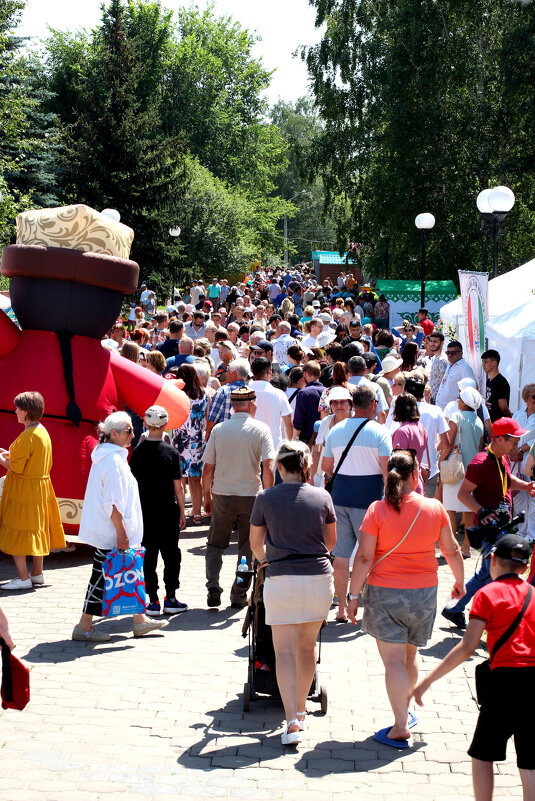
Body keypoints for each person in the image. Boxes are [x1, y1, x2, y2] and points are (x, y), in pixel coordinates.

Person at [347, 449, 464, 747]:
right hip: (424, 593)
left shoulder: (377, 510)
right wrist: (460, 582)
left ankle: (400, 725)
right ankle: (407, 710)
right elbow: (451, 550)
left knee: (394, 662)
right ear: (416, 475)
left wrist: (352, 595)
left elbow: (363, 557)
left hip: (386, 593)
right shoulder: (435, 508)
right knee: (410, 656)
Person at [412, 534, 535, 800]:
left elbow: (467, 647)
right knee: (530, 762)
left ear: (492, 560)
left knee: (483, 754)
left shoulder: (487, 594)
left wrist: (428, 680)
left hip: (503, 682)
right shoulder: (534, 594)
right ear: (525, 568)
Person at [250, 441, 336, 746]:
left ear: (281, 467)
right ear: (306, 467)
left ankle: (291, 722)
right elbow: (331, 543)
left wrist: (267, 561)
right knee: (307, 647)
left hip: (281, 578)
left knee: (283, 652)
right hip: (317, 579)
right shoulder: (322, 497)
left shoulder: (265, 498)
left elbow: (255, 544)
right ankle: (301, 711)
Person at [73, 412, 166, 641]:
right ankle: (84, 627)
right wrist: (122, 534)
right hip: (113, 533)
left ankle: (139, 620)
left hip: (112, 532)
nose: (133, 434)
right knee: (106, 577)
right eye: (128, 430)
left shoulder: (110, 456)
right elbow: (112, 504)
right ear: (113, 434)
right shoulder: (113, 461)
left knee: (123, 574)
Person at [441, 417, 535, 629]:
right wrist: (482, 511)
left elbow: (507, 481)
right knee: (492, 573)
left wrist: (526, 486)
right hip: (490, 528)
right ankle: (471, 612)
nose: (516, 445)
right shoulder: (481, 463)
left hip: (501, 524)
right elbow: (463, 494)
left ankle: (455, 608)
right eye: (513, 441)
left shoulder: (501, 457)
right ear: (499, 439)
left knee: (487, 573)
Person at [322, 385, 392, 622]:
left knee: (340, 557)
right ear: (373, 404)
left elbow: (326, 467)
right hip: (369, 502)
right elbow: (386, 471)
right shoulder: (380, 432)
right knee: (368, 556)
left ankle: (341, 607)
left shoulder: (336, 430)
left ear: (353, 404)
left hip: (339, 499)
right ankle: (364, 604)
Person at [202, 386, 275, 608]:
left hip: (222, 494)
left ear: (233, 406)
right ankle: (239, 592)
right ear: (252, 404)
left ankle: (213, 584)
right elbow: (268, 468)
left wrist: (207, 496)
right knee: (246, 549)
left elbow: (207, 469)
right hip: (250, 496)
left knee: (216, 543)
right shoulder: (261, 430)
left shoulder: (219, 430)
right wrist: (268, 497)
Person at [0, 391, 65, 590]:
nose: (15, 411)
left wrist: (2, 459)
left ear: (26, 412)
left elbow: (16, 467)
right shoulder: (42, 431)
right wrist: (9, 454)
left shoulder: (27, 435)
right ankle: (37, 574)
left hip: (24, 490)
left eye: (18, 408)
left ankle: (23, 578)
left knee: (17, 530)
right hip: (40, 487)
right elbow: (31, 457)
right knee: (38, 530)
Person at [129, 406, 187, 616]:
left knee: (148, 556)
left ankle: (152, 600)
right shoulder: (171, 452)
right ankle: (170, 598)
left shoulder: (137, 453)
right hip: (167, 511)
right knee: (172, 555)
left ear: (145, 424)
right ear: (165, 425)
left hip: (145, 513)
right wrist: (182, 511)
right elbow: (178, 488)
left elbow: (132, 484)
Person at [441, 387, 484, 557]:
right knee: (468, 510)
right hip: (472, 471)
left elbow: (448, 443)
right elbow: (479, 447)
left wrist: (441, 459)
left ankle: (451, 548)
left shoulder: (456, 416)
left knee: (450, 509)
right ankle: (466, 547)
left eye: (459, 398)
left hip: (454, 468)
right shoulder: (479, 421)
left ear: (465, 402)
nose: (457, 400)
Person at [171, 364, 209, 525]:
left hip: (180, 439)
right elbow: (207, 418)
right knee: (195, 478)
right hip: (198, 440)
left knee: (179, 479)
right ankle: (197, 512)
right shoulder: (204, 394)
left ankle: (180, 513)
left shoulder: (177, 394)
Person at [311, 387, 353, 487]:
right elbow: (317, 451)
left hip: (352, 477)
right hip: (326, 479)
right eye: (334, 402)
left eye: (343, 402)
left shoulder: (357, 422)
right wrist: (311, 478)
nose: (339, 406)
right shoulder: (325, 422)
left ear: (350, 405)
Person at [250, 357, 293, 450]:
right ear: (269, 372)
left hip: (250, 449)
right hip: (273, 448)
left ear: (252, 371)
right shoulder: (279, 394)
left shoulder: (244, 392)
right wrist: (290, 446)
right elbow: (288, 423)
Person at [391, 393, 428, 494]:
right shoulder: (421, 428)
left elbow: (398, 463)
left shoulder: (402, 431)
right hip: (417, 483)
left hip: (405, 488)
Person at [513, 384, 535, 541]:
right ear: (527, 397)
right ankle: (521, 530)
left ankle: (531, 533)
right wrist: (513, 450)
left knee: (532, 497)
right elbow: (511, 433)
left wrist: (521, 450)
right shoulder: (518, 414)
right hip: (515, 460)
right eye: (534, 396)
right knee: (518, 496)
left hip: (530, 461)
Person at [435, 341, 475, 410]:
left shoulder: (464, 368)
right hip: (443, 409)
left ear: (461, 354)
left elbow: (471, 391)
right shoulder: (449, 365)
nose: (450, 355)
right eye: (448, 353)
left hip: (454, 411)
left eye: (453, 353)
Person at [292, 361, 324, 445]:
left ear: (305, 374)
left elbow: (299, 421)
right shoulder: (327, 391)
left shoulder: (303, 393)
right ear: (320, 374)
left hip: (306, 441)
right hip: (323, 440)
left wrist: (293, 440)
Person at [481, 349, 511, 421]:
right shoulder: (489, 381)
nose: (483, 364)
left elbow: (503, 407)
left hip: (499, 423)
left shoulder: (501, 382)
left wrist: (511, 417)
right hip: (490, 422)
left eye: (486, 362)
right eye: (482, 362)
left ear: (494, 363)